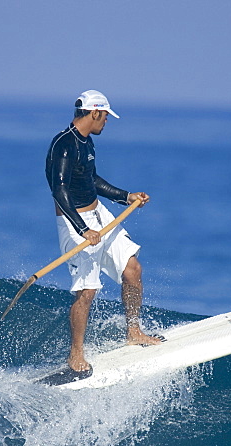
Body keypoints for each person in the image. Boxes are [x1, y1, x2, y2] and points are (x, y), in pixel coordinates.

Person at [45, 90, 162, 378]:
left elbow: (90, 179)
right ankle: (76, 353)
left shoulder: (87, 143)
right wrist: (83, 229)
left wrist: (126, 196)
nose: (107, 121)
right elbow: (59, 190)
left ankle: (133, 330)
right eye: (106, 115)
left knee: (132, 268)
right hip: (75, 221)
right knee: (87, 290)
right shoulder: (63, 145)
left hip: (100, 215)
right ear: (95, 112)